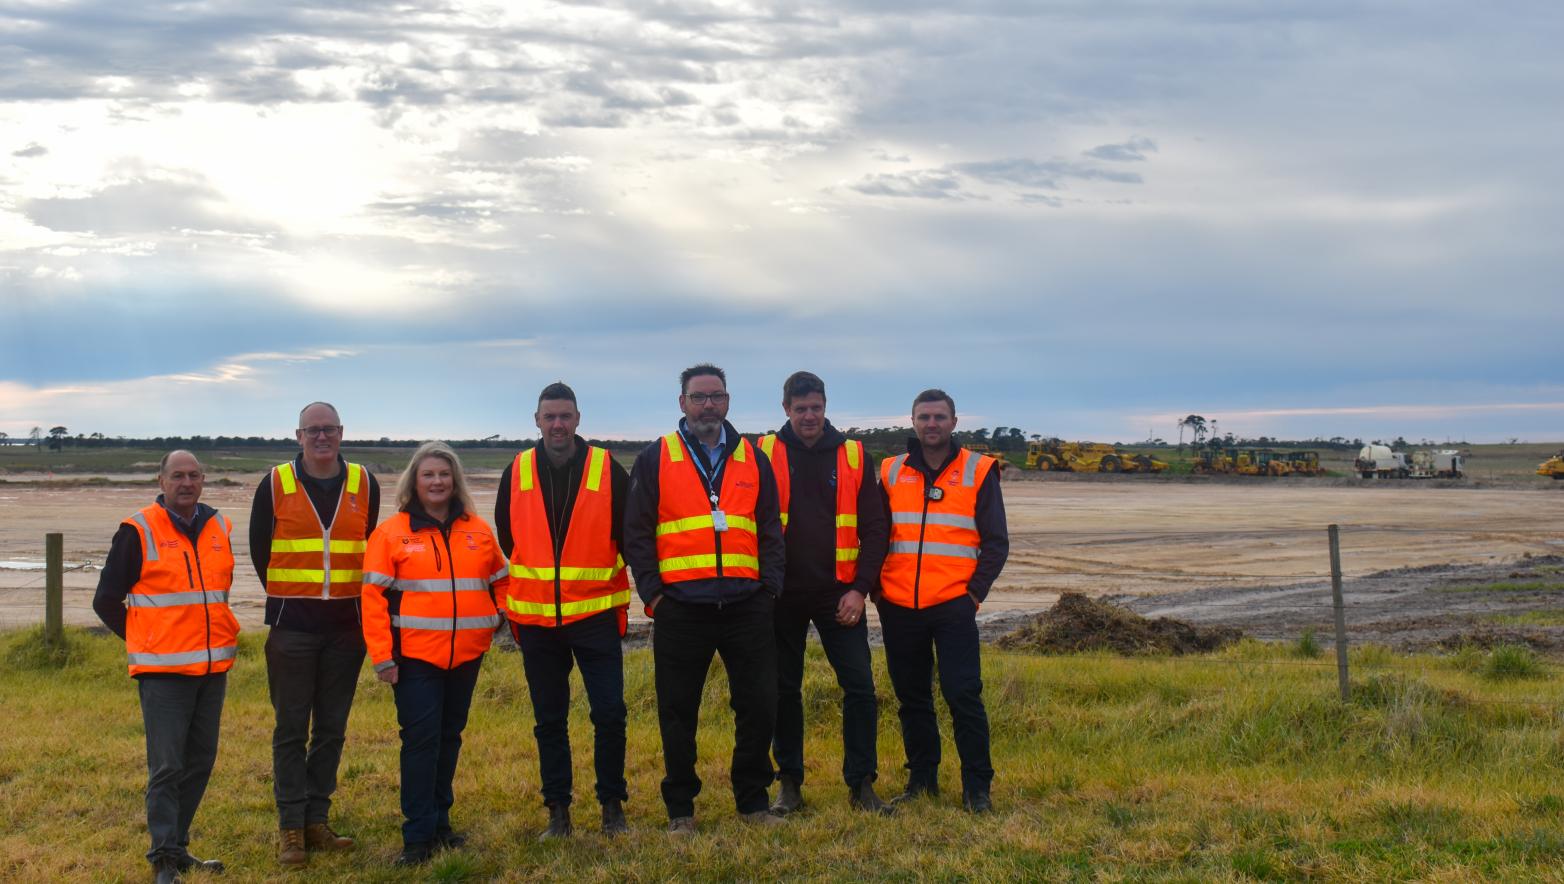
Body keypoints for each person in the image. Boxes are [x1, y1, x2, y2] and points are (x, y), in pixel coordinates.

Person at [623, 363, 786, 834]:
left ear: (728, 401)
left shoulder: (754, 459)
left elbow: (771, 528)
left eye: (716, 396)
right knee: (678, 711)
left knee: (758, 705)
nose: (708, 405)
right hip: (681, 610)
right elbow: (637, 533)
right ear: (682, 404)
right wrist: (654, 596)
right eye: (699, 397)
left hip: (747, 606)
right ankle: (681, 811)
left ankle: (753, 802)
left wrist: (769, 587)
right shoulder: (656, 458)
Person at [93, 450, 241, 884]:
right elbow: (105, 600)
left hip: (213, 669)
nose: (186, 482)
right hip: (164, 673)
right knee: (167, 766)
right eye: (177, 475)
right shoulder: (137, 530)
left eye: (194, 475)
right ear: (161, 480)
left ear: (203, 480)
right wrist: (146, 641)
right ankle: (162, 860)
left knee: (200, 761)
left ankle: (178, 847)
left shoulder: (220, 527)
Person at [495, 382, 632, 838]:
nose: (558, 424)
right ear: (536, 420)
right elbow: (508, 537)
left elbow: (628, 536)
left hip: (594, 618)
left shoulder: (607, 468)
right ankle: (558, 811)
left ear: (578, 419)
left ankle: (612, 807)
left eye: (565, 416)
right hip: (536, 622)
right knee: (549, 720)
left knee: (609, 714)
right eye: (549, 416)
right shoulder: (516, 471)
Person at [361, 441, 507, 866]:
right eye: (428, 475)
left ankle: (442, 825)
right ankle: (417, 838)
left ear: (455, 481)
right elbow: (371, 599)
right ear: (414, 482)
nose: (437, 482)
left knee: (449, 739)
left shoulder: (478, 530)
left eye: (444, 474)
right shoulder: (391, 533)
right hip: (415, 660)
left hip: (466, 656)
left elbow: (502, 579)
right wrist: (382, 657)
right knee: (421, 744)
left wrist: (498, 615)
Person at [248, 401, 380, 867]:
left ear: (341, 433)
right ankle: (290, 829)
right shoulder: (276, 482)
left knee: (331, 729)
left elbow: (371, 545)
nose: (321, 437)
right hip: (292, 629)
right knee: (289, 729)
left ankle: (316, 819)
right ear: (298, 435)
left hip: (347, 629)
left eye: (329, 429)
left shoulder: (365, 483)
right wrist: (291, 600)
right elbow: (259, 549)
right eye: (312, 430)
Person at [759, 371, 893, 816]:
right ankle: (790, 785)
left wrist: (860, 589)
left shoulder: (854, 455)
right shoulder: (762, 452)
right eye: (800, 409)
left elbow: (876, 529)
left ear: (825, 405)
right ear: (786, 410)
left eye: (816, 407)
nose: (809, 416)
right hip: (780, 595)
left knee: (859, 687)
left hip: (839, 595)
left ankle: (861, 785)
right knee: (783, 690)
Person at [876, 389, 1008, 813]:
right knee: (912, 698)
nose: (931, 424)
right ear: (911, 421)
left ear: (953, 421)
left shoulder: (978, 470)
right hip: (898, 605)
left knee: (962, 694)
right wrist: (878, 591)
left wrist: (972, 595)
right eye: (923, 417)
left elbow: (996, 542)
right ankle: (922, 780)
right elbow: (876, 535)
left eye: (939, 417)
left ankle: (977, 788)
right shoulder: (891, 471)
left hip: (953, 605)